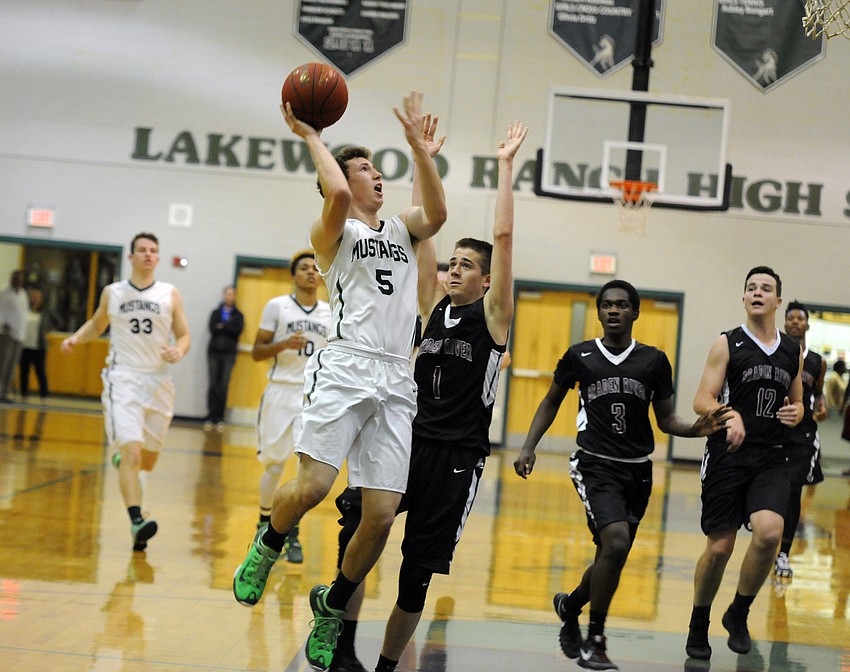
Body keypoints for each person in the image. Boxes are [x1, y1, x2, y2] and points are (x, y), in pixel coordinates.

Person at [231, 90, 447, 672]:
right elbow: (341, 193)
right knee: (312, 487)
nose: (375, 176)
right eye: (363, 169)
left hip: (397, 377)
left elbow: (438, 216)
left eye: (379, 169)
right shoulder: (333, 235)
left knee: (380, 513)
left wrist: (420, 152)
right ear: (339, 183)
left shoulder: (402, 230)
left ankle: (332, 603)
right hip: (347, 366)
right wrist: (310, 135)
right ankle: (269, 542)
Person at [330, 120, 527, 672]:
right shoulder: (432, 307)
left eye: (466, 266)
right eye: (452, 264)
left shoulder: (494, 317)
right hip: (408, 441)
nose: (453, 271)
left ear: (488, 281)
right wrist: (423, 157)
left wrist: (505, 166)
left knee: (414, 575)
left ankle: (387, 668)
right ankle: (341, 647)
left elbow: (505, 240)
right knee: (361, 532)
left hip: (457, 458)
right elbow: (414, 231)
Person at [512, 280, 730, 672]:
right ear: (598, 312)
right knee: (615, 542)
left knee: (612, 554)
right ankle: (596, 640)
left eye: (622, 305)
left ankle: (571, 604)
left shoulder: (653, 360)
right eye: (607, 305)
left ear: (635, 313)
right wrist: (529, 446)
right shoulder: (579, 355)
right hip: (594, 465)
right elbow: (550, 401)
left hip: (638, 472)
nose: (614, 310)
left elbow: (665, 420)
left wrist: (697, 429)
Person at [685, 266, 803, 661]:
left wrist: (797, 413)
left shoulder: (791, 350)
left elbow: (797, 400)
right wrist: (729, 414)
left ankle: (738, 612)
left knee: (770, 534)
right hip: (729, 455)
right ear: (744, 298)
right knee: (720, 548)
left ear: (777, 301)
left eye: (765, 288)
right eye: (751, 288)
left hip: (771, 455)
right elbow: (702, 399)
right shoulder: (727, 343)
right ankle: (698, 621)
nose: (757, 293)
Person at [61, 232, 191, 551]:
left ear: (158, 258)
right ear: (131, 257)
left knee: (146, 461)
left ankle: (128, 471)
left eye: (153, 251)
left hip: (158, 382)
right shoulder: (113, 292)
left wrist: (179, 350)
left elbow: (184, 334)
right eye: (142, 250)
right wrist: (77, 338)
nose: (148, 255)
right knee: (132, 454)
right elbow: (97, 323)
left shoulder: (169, 293)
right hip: (123, 379)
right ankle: (137, 520)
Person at [251, 250, 331, 563]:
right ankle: (263, 523)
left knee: (304, 470)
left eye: (315, 268)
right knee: (273, 463)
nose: (311, 272)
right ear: (293, 275)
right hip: (280, 392)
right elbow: (257, 351)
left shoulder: (331, 311)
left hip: (313, 397)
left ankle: (291, 534)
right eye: (304, 268)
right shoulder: (277, 307)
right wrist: (283, 344)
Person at [774, 301, 826, 579]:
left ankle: (783, 553)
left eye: (800, 318)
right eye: (791, 318)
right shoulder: (777, 353)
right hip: (777, 430)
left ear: (807, 324)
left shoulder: (817, 361)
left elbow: (818, 393)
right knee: (773, 488)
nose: (795, 322)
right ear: (785, 323)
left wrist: (821, 405)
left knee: (794, 491)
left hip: (803, 434)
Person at [205, 285, 244, 431]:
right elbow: (213, 328)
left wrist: (223, 327)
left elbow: (237, 330)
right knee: (213, 384)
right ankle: (210, 416)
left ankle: (220, 417)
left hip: (229, 354)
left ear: (234, 296)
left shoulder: (238, 315)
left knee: (223, 385)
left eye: (231, 294)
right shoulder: (216, 312)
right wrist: (226, 327)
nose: (229, 297)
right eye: (227, 294)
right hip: (214, 352)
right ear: (224, 296)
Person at [19, 287, 59, 401]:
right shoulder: (25, 309)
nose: (35, 298)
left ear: (41, 298)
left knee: (40, 372)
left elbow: (58, 321)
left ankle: (44, 395)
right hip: (25, 345)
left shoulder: (45, 311)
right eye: (33, 296)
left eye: (37, 296)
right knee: (24, 371)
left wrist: (48, 330)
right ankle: (24, 395)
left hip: (39, 346)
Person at [0, 269, 28, 402]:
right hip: (7, 335)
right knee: (3, 364)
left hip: (19, 335)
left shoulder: (23, 294)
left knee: (12, 366)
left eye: (19, 278)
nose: (17, 280)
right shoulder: (5, 294)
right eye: (15, 278)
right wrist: (2, 323)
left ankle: (4, 393)